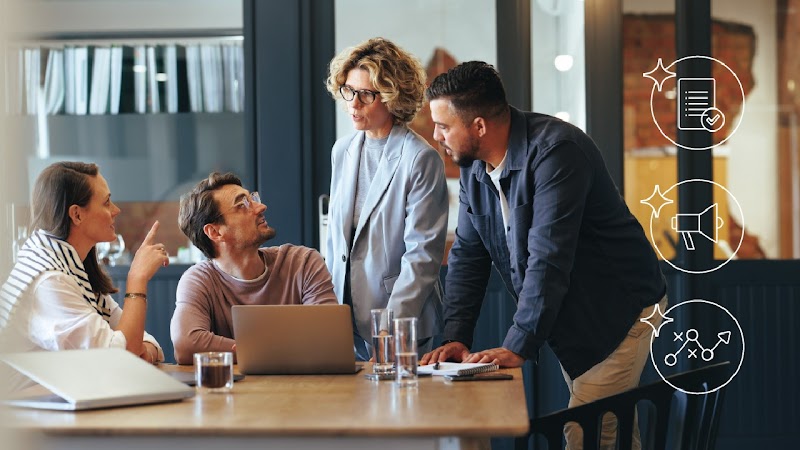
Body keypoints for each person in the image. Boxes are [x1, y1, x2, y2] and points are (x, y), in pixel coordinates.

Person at [420, 61, 668, 450]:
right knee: (612, 430)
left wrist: (518, 343)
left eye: (443, 126)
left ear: (479, 126)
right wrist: (455, 337)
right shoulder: (474, 168)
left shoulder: (557, 152)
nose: (436, 137)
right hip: (574, 311)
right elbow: (469, 254)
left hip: (622, 308)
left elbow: (548, 256)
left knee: (587, 432)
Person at [324, 37, 448, 360]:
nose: (354, 103)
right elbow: (335, 241)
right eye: (349, 91)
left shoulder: (420, 158)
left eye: (366, 94)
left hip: (400, 322)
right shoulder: (342, 151)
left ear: (393, 97)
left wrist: (389, 329)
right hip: (343, 323)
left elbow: (422, 258)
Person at [0, 162, 168, 391]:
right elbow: (120, 360)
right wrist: (137, 278)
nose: (116, 210)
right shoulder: (49, 281)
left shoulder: (72, 266)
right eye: (107, 202)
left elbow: (140, 341)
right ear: (77, 215)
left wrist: (142, 349)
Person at [171, 172, 336, 364]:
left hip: (303, 390)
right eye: (242, 205)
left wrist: (249, 351)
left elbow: (328, 338)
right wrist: (278, 351)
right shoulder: (199, 280)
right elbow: (186, 344)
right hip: (233, 392)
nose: (261, 207)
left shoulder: (303, 262)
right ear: (215, 232)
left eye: (253, 199)